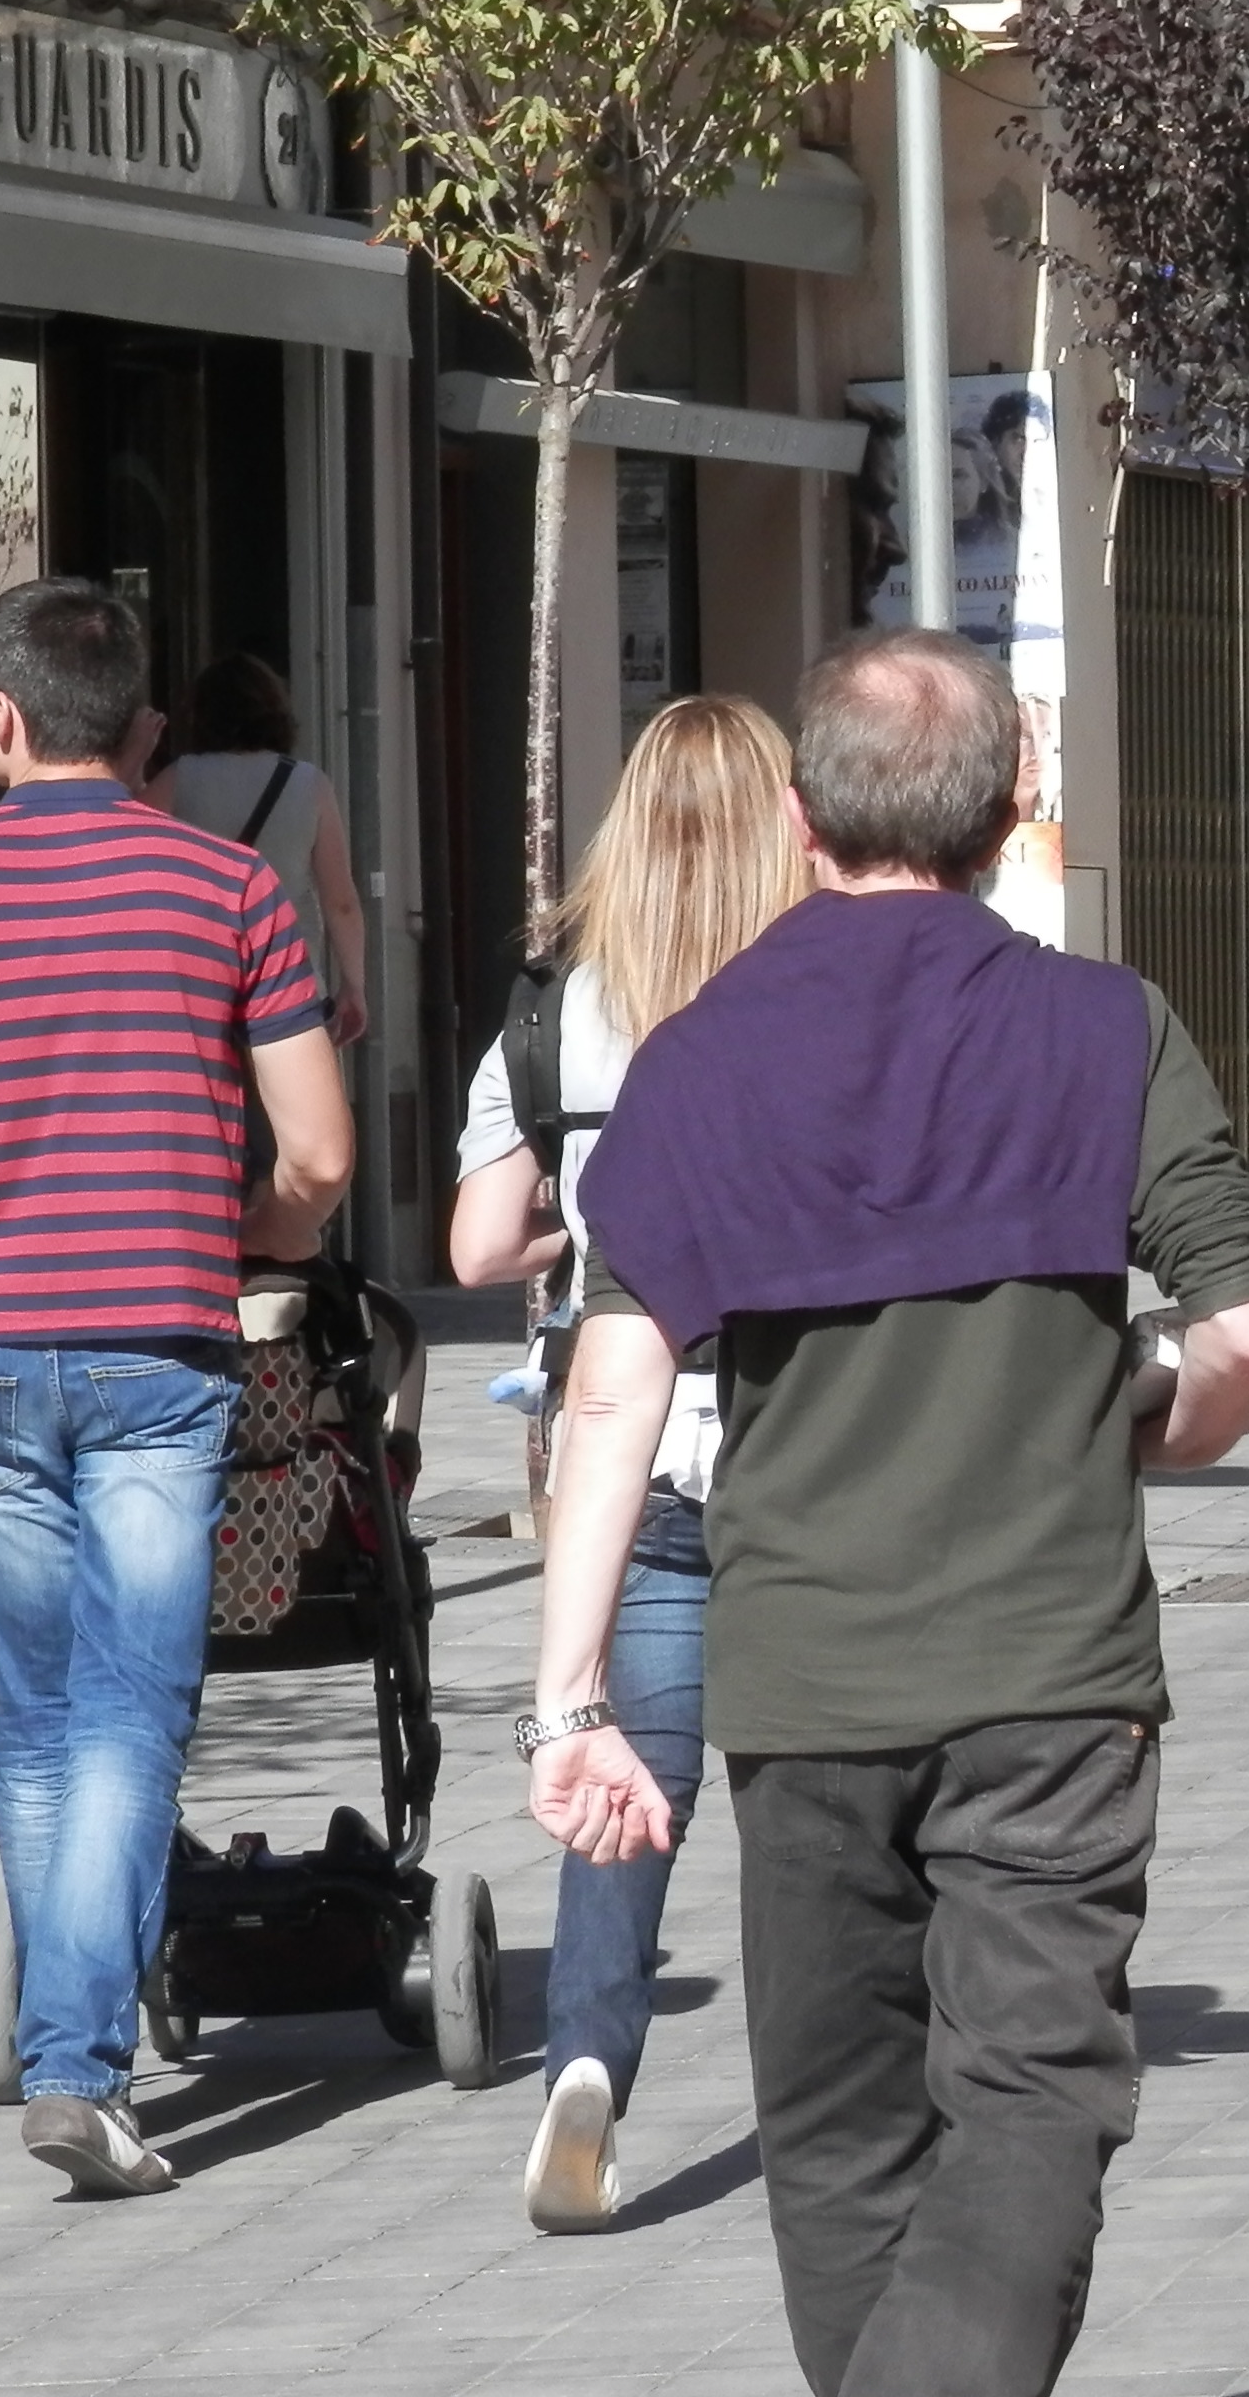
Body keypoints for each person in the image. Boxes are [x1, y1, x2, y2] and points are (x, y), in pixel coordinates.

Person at [524, 625, 1249, 2397]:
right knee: (1031, 2092)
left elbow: (611, 1389)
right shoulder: (1104, 1025)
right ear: (1014, 810)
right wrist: (1154, 1428)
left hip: (801, 1683)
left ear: (799, 821)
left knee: (840, 2123)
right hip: (1052, 1668)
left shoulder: (704, 1056)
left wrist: (571, 1696)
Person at [0, 578, 352, 2201]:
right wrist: (233, 1229)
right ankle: (76, 2062)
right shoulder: (226, 889)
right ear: (139, 728)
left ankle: (78, 2035)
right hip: (162, 1349)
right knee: (138, 1710)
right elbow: (321, 1153)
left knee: (43, 1720)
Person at [444, 693, 806, 2235]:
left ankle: (587, 2071)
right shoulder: (809, 997)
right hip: (800, 1443)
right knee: (809, 1805)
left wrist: (583, 1231)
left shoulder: (555, 1005)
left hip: (633, 1454)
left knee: (622, 1798)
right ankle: (840, 2080)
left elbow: (473, 1244)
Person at [158, 649, 369, 1046]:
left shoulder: (177, 780)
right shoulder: (310, 785)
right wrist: (353, 985)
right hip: (293, 986)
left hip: (201, 990)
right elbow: (340, 902)